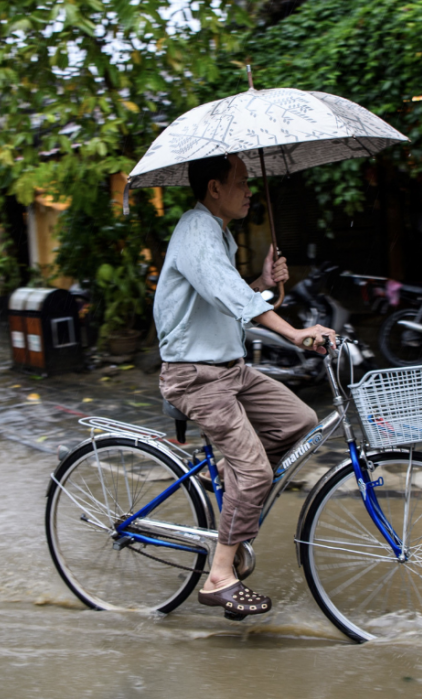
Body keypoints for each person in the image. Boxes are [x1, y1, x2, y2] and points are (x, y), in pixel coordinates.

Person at [155, 153, 336, 616]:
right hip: (196, 376)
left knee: (301, 420)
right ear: (214, 188)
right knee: (255, 470)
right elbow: (228, 294)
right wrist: (295, 333)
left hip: (229, 369)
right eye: (240, 181)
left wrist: (261, 279)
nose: (249, 189)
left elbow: (223, 294)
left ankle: (237, 504)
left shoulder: (217, 233)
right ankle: (219, 576)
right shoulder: (196, 229)